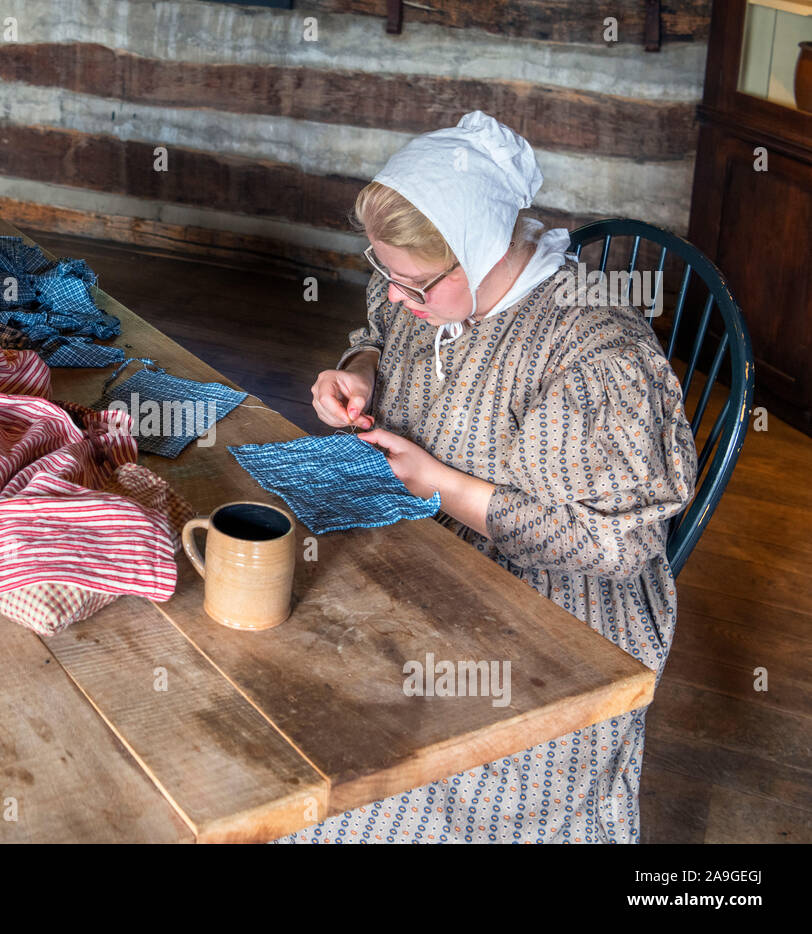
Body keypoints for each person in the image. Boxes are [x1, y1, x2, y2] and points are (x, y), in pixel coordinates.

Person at [277, 112, 698, 843]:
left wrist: (441, 485)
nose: (397, 295)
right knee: (282, 677)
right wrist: (358, 374)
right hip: (424, 551)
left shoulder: (597, 354)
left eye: (415, 283)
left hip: (560, 622)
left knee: (363, 785)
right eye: (385, 272)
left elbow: (616, 545)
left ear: (479, 249)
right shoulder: (430, 290)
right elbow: (384, 331)